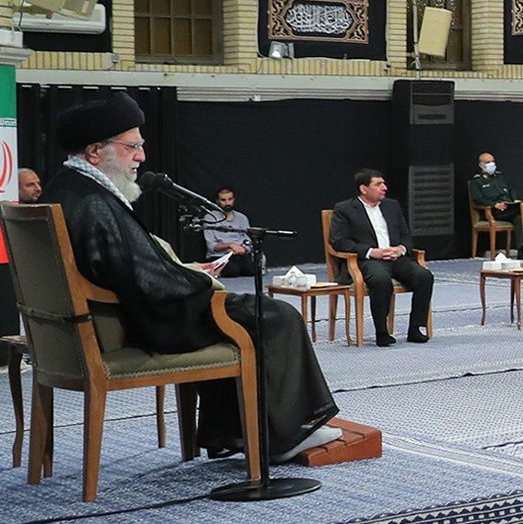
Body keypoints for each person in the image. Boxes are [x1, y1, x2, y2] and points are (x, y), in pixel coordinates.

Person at [43, 93, 344, 462]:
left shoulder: (67, 187)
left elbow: (124, 266)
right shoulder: (92, 203)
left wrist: (181, 271)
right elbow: (137, 277)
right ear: (94, 151)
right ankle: (283, 435)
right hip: (133, 324)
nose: (141, 156)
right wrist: (201, 283)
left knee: (243, 312)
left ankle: (233, 431)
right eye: (132, 146)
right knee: (276, 317)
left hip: (101, 320)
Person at [327, 169, 435, 347]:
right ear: (363, 188)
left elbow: (406, 236)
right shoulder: (345, 209)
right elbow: (339, 242)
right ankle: (382, 332)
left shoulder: (392, 206)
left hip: (396, 258)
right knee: (380, 279)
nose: (384, 188)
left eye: (383, 183)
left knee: (425, 276)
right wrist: (371, 251)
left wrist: (400, 249)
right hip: (368, 260)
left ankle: (415, 328)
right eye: (378, 184)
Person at [201, 187, 261, 278]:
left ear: (234, 200)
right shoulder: (210, 218)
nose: (227, 203)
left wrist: (243, 249)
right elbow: (211, 246)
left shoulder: (242, 218)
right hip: (220, 256)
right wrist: (229, 246)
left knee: (253, 270)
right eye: (223, 200)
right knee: (232, 271)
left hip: (240, 255)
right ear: (217, 201)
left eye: (230, 199)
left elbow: (249, 241)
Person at [468, 151, 518, 228]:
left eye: (493, 161)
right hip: (493, 211)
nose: (491, 164)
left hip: (508, 208)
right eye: (488, 162)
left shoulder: (500, 178)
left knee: (520, 219)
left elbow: (511, 189)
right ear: (481, 165)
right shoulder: (476, 181)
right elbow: (477, 199)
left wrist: (514, 200)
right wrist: (494, 205)